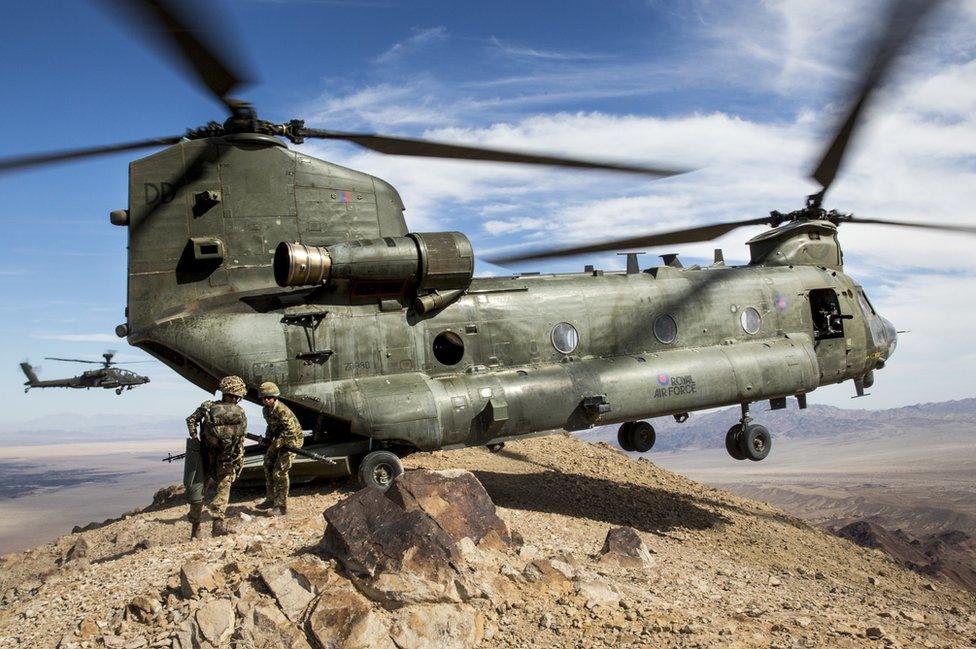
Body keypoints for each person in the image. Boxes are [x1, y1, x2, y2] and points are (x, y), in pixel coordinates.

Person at [185, 375, 248, 538]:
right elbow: (241, 438)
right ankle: (217, 525)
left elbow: (191, 420)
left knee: (199, 490)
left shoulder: (208, 406)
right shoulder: (240, 411)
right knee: (223, 489)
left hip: (206, 455)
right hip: (227, 457)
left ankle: (195, 528)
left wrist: (194, 437)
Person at [255, 382, 303, 517]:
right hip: (279, 440)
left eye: (269, 397)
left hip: (292, 441)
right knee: (268, 464)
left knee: (279, 471)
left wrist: (276, 444)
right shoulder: (266, 410)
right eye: (264, 398)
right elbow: (271, 426)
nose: (266, 400)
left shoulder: (282, 410)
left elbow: (291, 431)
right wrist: (268, 438)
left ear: (275, 397)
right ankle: (270, 499)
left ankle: (281, 507)